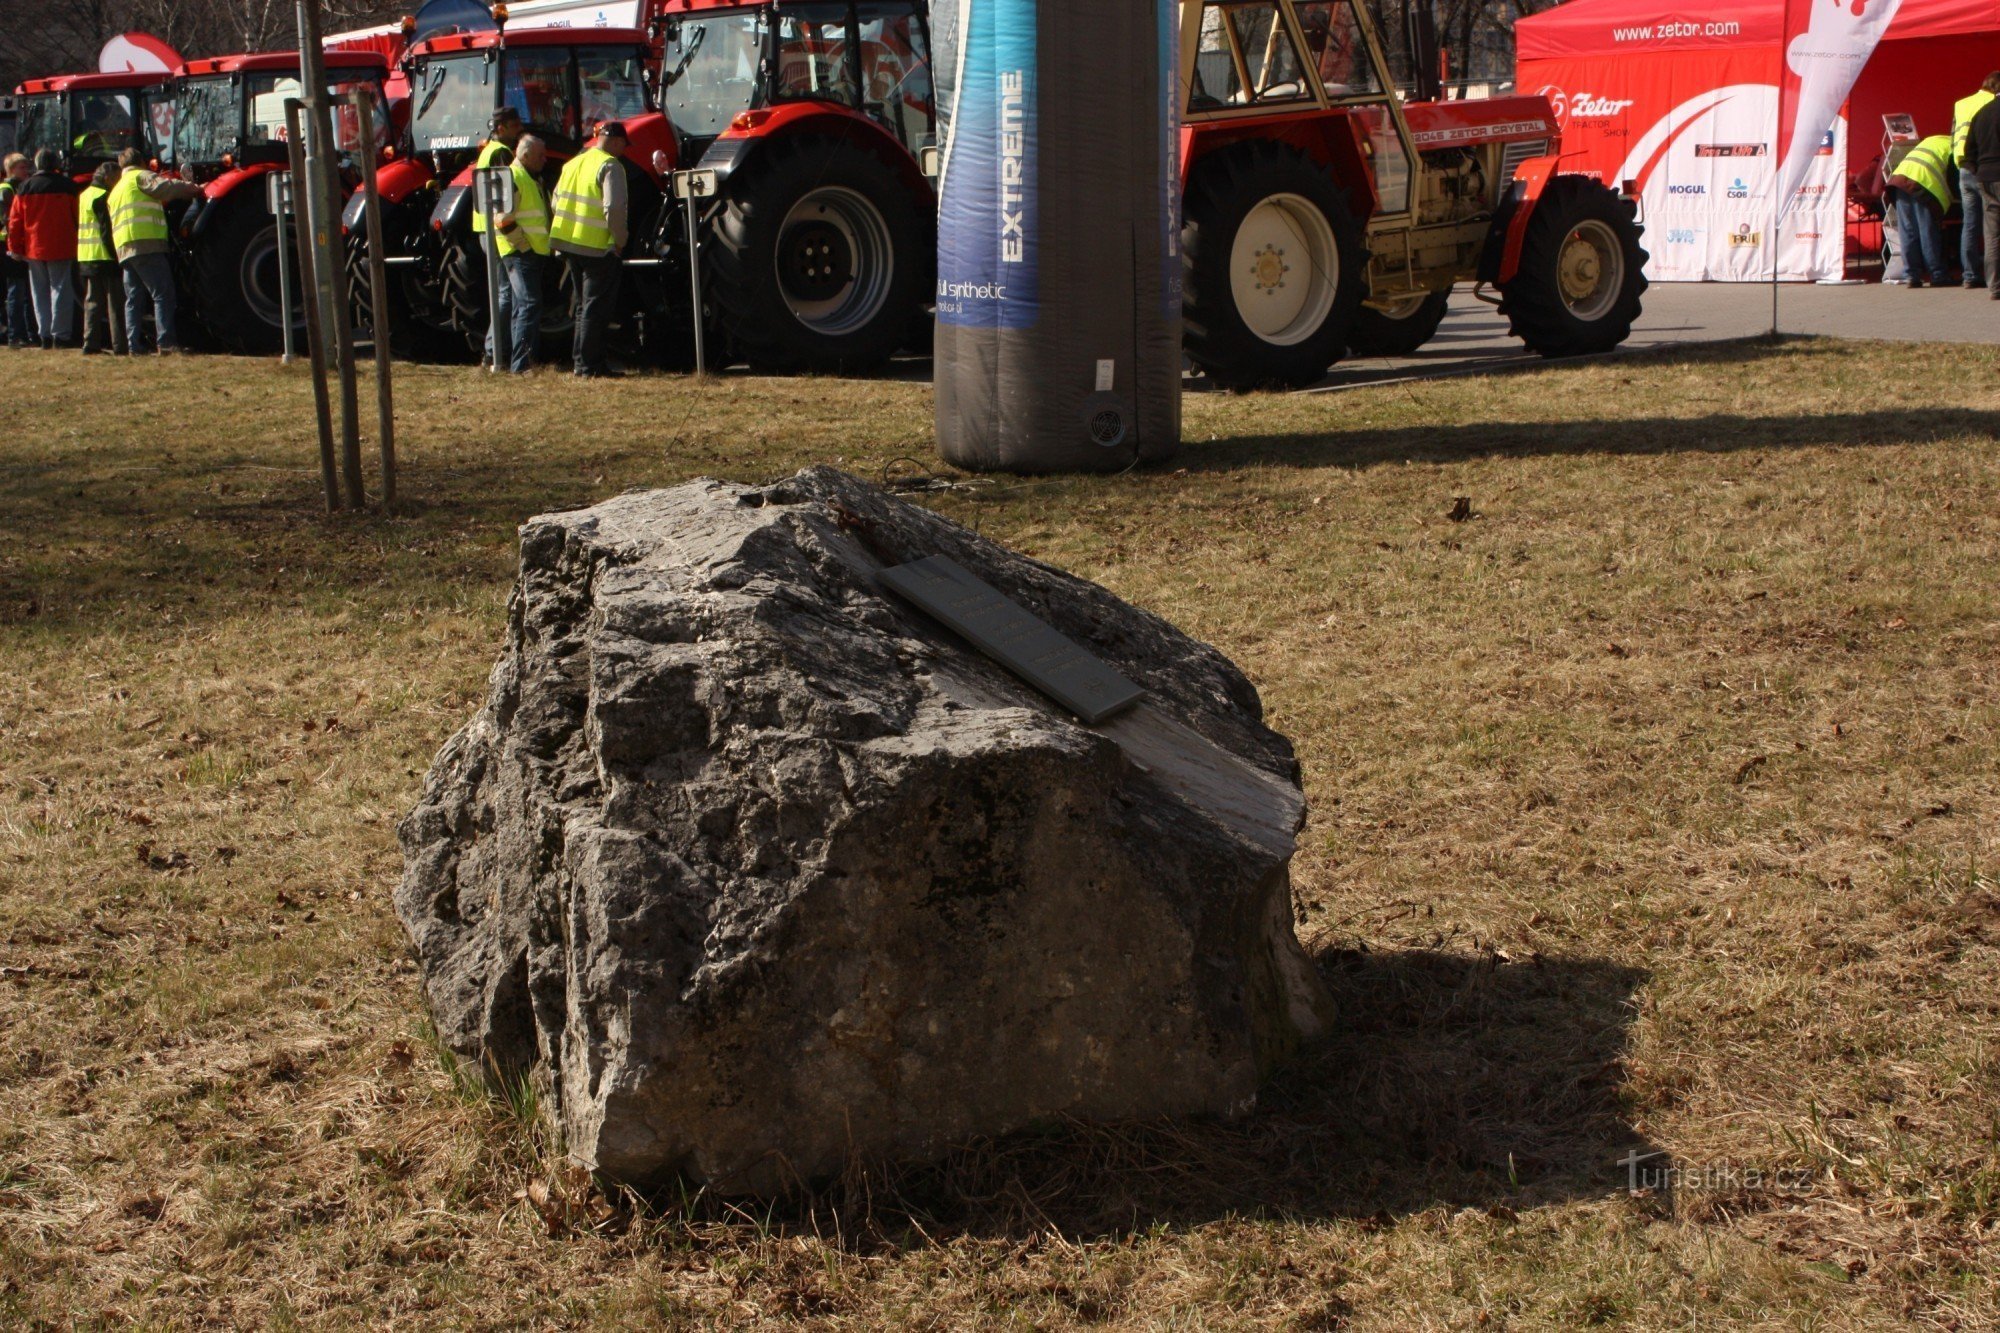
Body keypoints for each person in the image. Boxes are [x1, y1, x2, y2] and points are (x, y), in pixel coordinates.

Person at [550, 120, 629, 379]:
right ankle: (591, 366)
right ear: (616, 142)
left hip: (568, 243)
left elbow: (555, 202)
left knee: (583, 306)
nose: (624, 150)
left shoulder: (572, 163)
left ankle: (580, 362)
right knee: (596, 308)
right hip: (596, 246)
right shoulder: (610, 166)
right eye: (623, 145)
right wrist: (620, 240)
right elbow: (614, 208)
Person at [107, 147, 200, 354]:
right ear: (141, 162)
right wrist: (193, 188)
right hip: (146, 242)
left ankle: (134, 345)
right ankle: (166, 342)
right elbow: (165, 187)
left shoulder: (117, 189)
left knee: (134, 298)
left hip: (125, 248)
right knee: (163, 293)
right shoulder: (141, 176)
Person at [8, 149, 80, 348]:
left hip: (34, 247)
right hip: (62, 245)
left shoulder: (24, 187)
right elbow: (77, 218)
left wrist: (15, 248)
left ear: (37, 164)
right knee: (61, 290)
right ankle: (61, 335)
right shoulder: (68, 187)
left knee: (39, 292)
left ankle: (45, 335)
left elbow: (15, 222)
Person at [492, 134, 550, 374]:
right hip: (520, 253)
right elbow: (502, 219)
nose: (545, 160)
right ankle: (523, 365)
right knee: (529, 305)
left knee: (520, 307)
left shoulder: (528, 177)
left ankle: (519, 363)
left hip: (528, 251)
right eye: (540, 156)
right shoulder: (514, 177)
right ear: (524, 156)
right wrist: (523, 246)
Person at [1884, 133, 1955, 289]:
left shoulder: (1934, 139)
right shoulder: (1954, 148)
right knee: (1927, 231)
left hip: (1899, 182)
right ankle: (1937, 275)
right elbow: (1955, 182)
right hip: (1923, 185)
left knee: (1908, 231)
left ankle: (1911, 275)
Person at [1953, 74, 2000, 288]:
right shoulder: (1989, 105)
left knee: (1976, 226)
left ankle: (1975, 277)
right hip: (1991, 170)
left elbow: (1961, 143)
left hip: (1971, 171)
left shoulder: (1966, 106)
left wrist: (1974, 168)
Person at [76, 162, 126, 354]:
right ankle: (120, 345)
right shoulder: (103, 197)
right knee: (115, 304)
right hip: (105, 257)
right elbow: (106, 233)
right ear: (107, 178)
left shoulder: (84, 195)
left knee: (92, 302)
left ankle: (90, 343)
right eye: (116, 178)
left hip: (86, 256)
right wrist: (116, 256)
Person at [1965, 87, 2000, 300]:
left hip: (1985, 177)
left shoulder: (1982, 112)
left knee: (1992, 235)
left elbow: (1968, 152)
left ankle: (1995, 287)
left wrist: (1979, 171)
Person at [0, 153, 35, 348]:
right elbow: (8, 220)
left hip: (19, 244)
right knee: (16, 291)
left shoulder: (21, 187)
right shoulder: (6, 189)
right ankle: (15, 334)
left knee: (23, 291)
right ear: (11, 169)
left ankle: (26, 333)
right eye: (22, 167)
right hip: (8, 246)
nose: (26, 171)